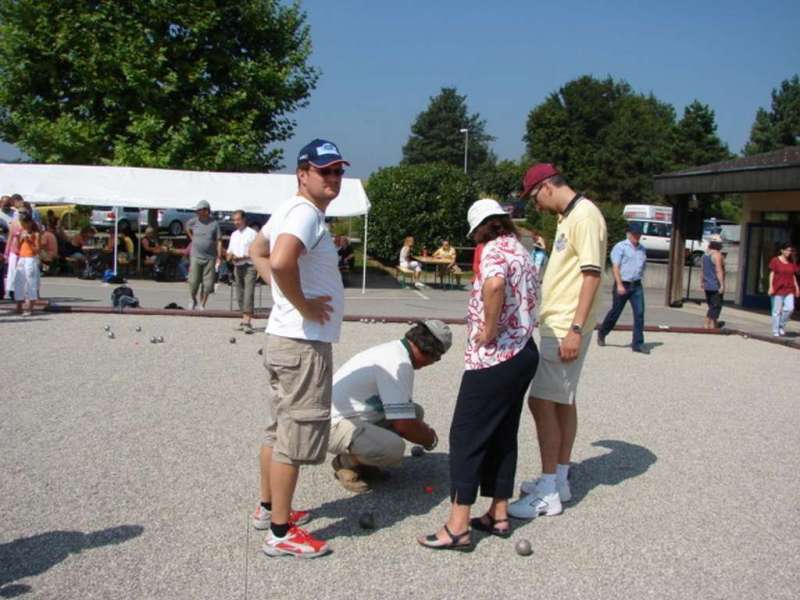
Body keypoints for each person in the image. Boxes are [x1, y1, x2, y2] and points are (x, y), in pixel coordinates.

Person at [418, 199, 539, 551]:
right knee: (502, 432)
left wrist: (488, 328)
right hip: (524, 351)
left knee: (466, 434)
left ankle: (457, 525)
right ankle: (498, 513)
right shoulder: (521, 250)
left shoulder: (492, 250)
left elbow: (495, 286)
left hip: (496, 356)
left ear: (483, 227)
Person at [249, 138, 348, 559]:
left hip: (284, 340)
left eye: (337, 171)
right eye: (323, 170)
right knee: (294, 435)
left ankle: (270, 507)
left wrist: (281, 294)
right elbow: (282, 260)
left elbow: (258, 250)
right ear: (302, 174)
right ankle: (280, 532)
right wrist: (301, 302)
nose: (332, 178)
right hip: (302, 344)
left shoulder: (290, 210)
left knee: (278, 428)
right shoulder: (305, 213)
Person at [509, 163, 607, 520]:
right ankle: (560, 478)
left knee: (540, 401)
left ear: (547, 187)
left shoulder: (585, 216)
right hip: (560, 323)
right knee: (563, 401)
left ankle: (549, 490)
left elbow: (592, 276)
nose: (535, 205)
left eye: (535, 197)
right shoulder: (569, 217)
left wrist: (576, 329)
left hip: (567, 324)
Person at [328, 321, 451, 494]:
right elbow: (404, 425)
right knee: (393, 448)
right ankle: (346, 463)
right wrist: (430, 439)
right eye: (437, 359)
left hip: (344, 416)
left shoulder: (394, 350)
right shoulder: (398, 365)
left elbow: (406, 416)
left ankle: (363, 461)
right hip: (331, 426)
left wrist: (419, 428)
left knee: (415, 412)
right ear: (431, 354)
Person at [597, 222, 648, 352]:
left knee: (640, 313)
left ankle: (638, 344)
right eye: (635, 234)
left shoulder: (642, 249)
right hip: (623, 283)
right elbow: (615, 267)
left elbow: (642, 266)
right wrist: (619, 284)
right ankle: (602, 332)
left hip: (636, 285)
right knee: (615, 312)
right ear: (629, 234)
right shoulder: (621, 247)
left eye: (639, 234)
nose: (637, 236)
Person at [185, 200, 222, 310]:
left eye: (200, 210)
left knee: (208, 283)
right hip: (196, 255)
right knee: (193, 281)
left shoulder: (214, 224)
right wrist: (192, 238)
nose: (198, 213)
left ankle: (203, 303)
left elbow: (219, 240)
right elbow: (187, 227)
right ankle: (192, 299)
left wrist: (219, 256)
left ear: (207, 211)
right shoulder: (194, 222)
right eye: (197, 211)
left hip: (210, 257)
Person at [226, 210, 258, 333]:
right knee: (239, 292)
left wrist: (245, 256)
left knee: (248, 292)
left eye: (238, 219)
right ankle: (243, 317)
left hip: (250, 265)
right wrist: (229, 256)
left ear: (244, 220)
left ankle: (247, 320)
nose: (236, 222)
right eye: (234, 220)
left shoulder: (252, 233)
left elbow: (256, 251)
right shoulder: (234, 234)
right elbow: (229, 251)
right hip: (237, 265)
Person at [11, 210, 40, 315]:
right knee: (18, 282)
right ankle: (19, 306)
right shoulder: (21, 232)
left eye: (24, 223)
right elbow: (18, 247)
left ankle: (30, 308)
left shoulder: (35, 234)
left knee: (30, 282)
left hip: (31, 258)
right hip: (22, 258)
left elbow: (37, 249)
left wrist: (29, 240)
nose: (23, 225)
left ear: (30, 223)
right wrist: (20, 239)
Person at [768, 242, 799, 337]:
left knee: (790, 308)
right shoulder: (775, 260)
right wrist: (771, 287)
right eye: (787, 250)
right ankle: (775, 330)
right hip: (778, 288)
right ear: (782, 250)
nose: (789, 252)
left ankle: (781, 325)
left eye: (790, 250)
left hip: (789, 289)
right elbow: (772, 273)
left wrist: (797, 288)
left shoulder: (791, 262)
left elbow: (793, 275)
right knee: (776, 311)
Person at [701, 235, 725, 329]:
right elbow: (719, 271)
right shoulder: (717, 255)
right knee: (715, 306)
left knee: (711, 304)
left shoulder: (704, 256)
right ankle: (706, 324)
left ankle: (713, 324)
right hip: (715, 284)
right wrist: (722, 285)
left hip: (707, 284)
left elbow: (702, 270)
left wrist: (702, 281)